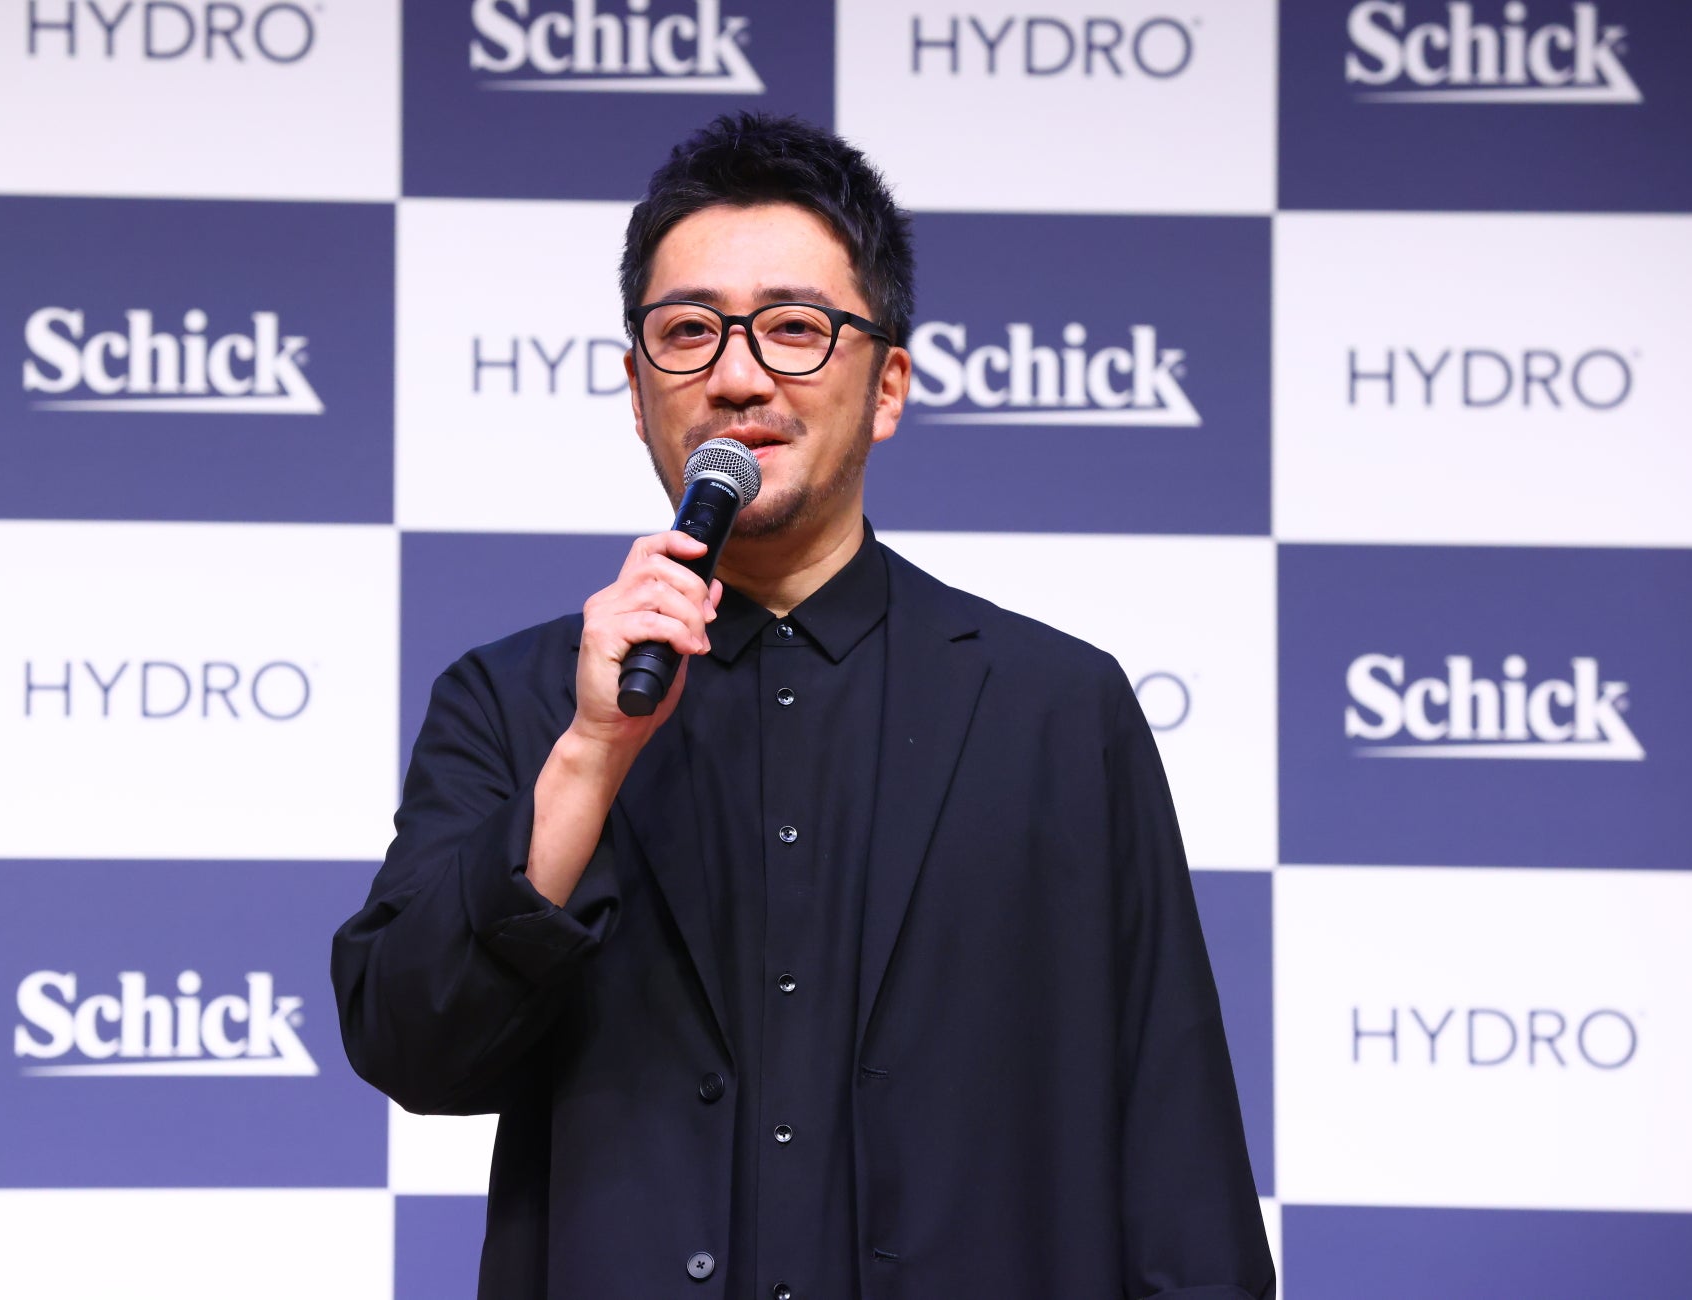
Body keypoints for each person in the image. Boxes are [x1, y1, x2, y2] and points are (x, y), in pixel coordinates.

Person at [332, 112, 1275, 1300]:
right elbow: (409, 1044)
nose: (737, 376)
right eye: (689, 332)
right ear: (637, 391)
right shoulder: (520, 701)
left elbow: (1176, 1151)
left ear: (888, 386)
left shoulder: (1054, 711)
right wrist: (589, 757)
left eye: (793, 327)